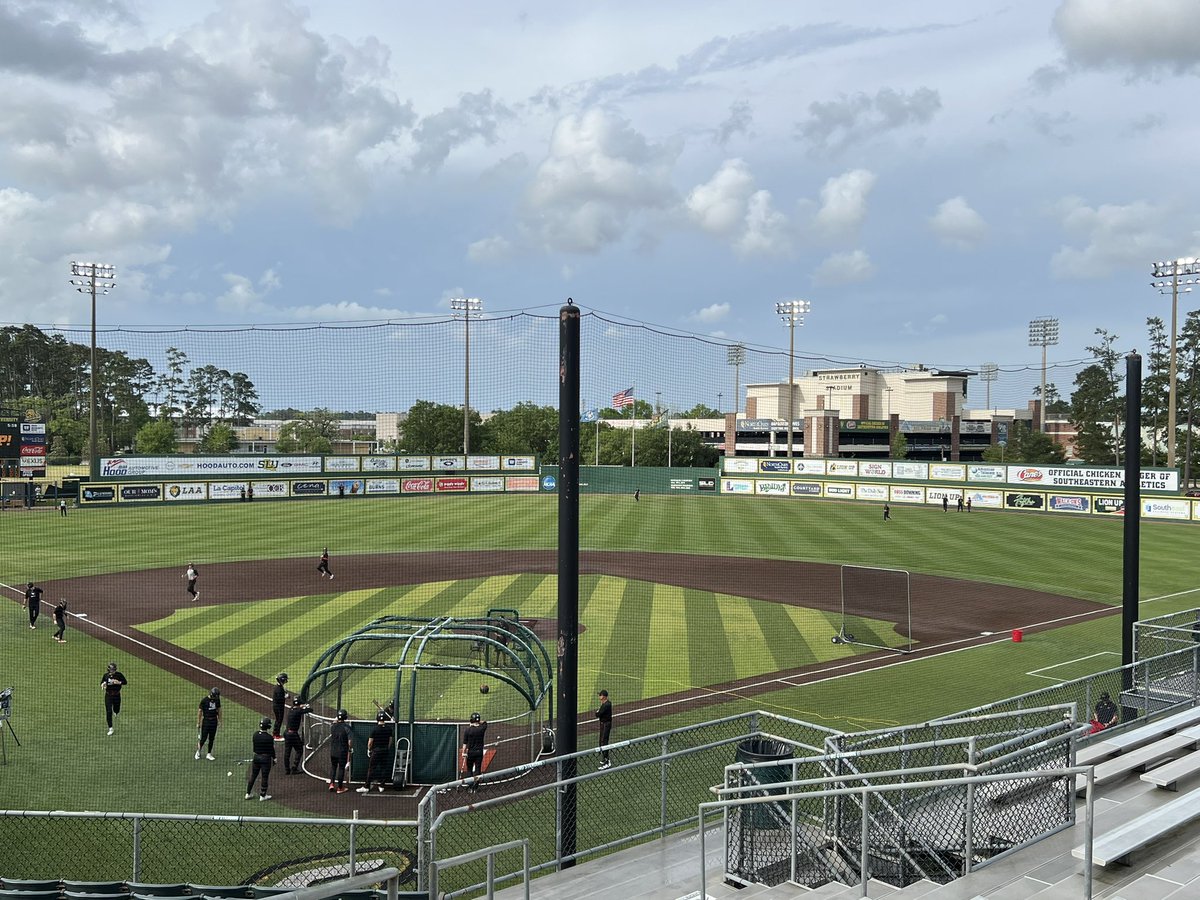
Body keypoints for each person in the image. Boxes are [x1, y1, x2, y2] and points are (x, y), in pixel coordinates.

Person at [357, 710, 392, 793]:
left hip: (376, 752)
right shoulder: (389, 729)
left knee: (371, 769)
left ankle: (366, 786)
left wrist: (369, 750)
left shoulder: (375, 730)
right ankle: (382, 786)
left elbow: (370, 742)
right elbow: (390, 741)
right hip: (385, 751)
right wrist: (387, 748)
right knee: (383, 768)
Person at [245, 717, 275, 801]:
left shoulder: (255, 734)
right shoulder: (269, 737)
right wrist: (274, 758)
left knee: (253, 775)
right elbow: (271, 750)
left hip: (256, 757)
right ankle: (263, 795)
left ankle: (248, 793)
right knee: (264, 777)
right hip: (265, 759)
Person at [283, 695, 310, 774]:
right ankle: (294, 768)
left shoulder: (291, 709)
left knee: (287, 752)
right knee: (299, 750)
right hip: (293, 735)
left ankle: (287, 770)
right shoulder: (298, 711)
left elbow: (297, 708)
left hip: (287, 733)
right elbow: (310, 710)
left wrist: (301, 706)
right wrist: (305, 707)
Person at [461, 711, 488, 791]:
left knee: (469, 769)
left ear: (471, 720)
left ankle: (470, 786)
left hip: (471, 753)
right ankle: (475, 788)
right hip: (479, 752)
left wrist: (463, 752)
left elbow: (465, 743)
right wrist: (478, 721)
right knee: (478, 769)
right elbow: (485, 723)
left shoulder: (468, 730)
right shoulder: (482, 729)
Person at [328, 708, 352, 793]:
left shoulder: (333, 726)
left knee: (333, 767)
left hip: (333, 751)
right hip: (342, 752)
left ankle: (331, 784)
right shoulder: (347, 727)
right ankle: (340, 788)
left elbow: (334, 722)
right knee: (341, 768)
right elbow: (350, 742)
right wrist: (350, 749)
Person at [195, 687, 222, 760]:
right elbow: (200, 711)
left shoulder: (217, 700)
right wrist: (198, 722)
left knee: (211, 738)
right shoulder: (204, 701)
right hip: (206, 721)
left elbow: (219, 710)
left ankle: (209, 754)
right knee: (203, 738)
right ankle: (198, 751)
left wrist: (220, 720)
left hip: (214, 721)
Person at [101, 661, 127, 735]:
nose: (113, 671)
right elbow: (102, 682)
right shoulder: (105, 676)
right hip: (108, 695)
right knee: (109, 711)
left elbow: (125, 682)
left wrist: (119, 682)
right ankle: (110, 728)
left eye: (114, 670)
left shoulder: (119, 675)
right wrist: (103, 685)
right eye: (112, 670)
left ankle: (116, 712)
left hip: (117, 695)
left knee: (116, 709)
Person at [596, 689, 613, 769]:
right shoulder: (605, 704)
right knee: (601, 741)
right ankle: (604, 758)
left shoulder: (606, 705)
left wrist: (598, 712)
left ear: (603, 696)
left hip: (606, 725)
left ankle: (607, 761)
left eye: (600, 695)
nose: (599, 696)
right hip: (603, 724)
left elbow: (598, 714)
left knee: (604, 742)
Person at [272, 673, 289, 739]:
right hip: (278, 707)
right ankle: (276, 735)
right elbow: (280, 699)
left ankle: (275, 733)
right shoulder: (278, 688)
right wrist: (286, 696)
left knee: (278, 720)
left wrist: (285, 693)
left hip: (278, 706)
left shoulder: (279, 686)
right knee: (279, 720)